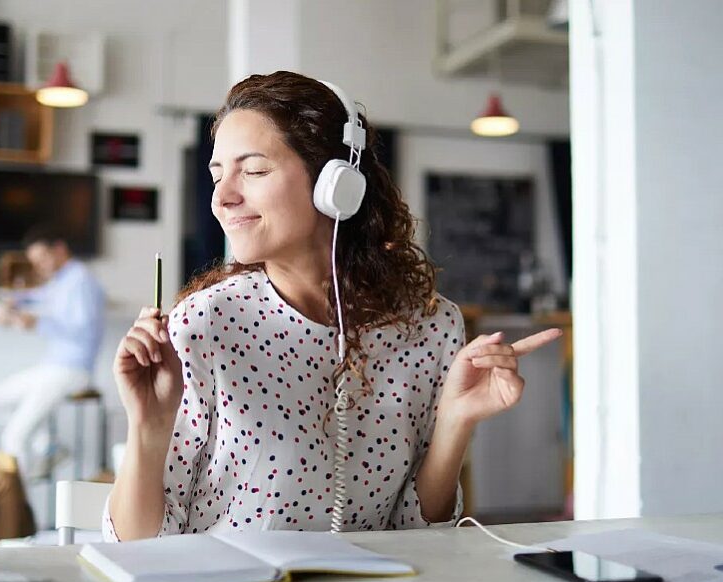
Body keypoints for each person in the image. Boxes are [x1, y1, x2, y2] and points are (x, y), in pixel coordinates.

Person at [104, 71, 561, 541]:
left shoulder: (432, 326)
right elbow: (138, 547)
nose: (223, 197)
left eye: (254, 170)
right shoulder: (203, 324)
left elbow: (418, 532)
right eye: (217, 175)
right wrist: (147, 427)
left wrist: (455, 422)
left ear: (336, 183)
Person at [0, 227, 105, 482]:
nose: (39, 267)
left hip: (73, 370)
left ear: (59, 249)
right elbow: (35, 297)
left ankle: (18, 509)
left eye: (42, 259)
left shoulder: (80, 280)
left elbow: (82, 330)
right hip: (52, 367)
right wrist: (13, 302)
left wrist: (36, 324)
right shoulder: (61, 281)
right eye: (35, 263)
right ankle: (48, 445)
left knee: (15, 435)